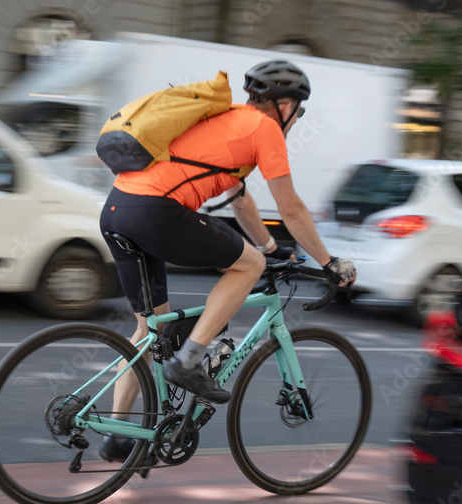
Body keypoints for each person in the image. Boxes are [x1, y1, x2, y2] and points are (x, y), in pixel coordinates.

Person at [98, 59, 356, 462]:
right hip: (156, 212)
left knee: (149, 333)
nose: (295, 119)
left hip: (117, 209)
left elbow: (240, 200)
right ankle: (190, 359)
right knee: (247, 266)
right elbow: (291, 207)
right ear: (284, 105)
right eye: (297, 110)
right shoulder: (265, 128)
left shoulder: (230, 119)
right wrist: (329, 262)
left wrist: (271, 250)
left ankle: (115, 435)